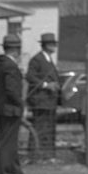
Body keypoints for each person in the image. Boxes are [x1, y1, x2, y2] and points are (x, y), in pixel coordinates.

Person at [0, 33, 28, 174]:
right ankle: (4, 173)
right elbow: (11, 90)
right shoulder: (10, 65)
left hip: (7, 107)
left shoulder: (4, 63)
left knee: (11, 141)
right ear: (16, 50)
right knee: (8, 141)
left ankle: (15, 170)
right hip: (11, 108)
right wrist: (21, 103)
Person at [25, 32, 61, 161]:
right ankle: (35, 154)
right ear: (45, 45)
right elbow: (29, 76)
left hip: (50, 100)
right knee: (39, 127)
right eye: (52, 44)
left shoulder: (49, 59)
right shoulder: (37, 59)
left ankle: (48, 155)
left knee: (49, 128)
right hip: (40, 99)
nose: (54, 46)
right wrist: (46, 85)